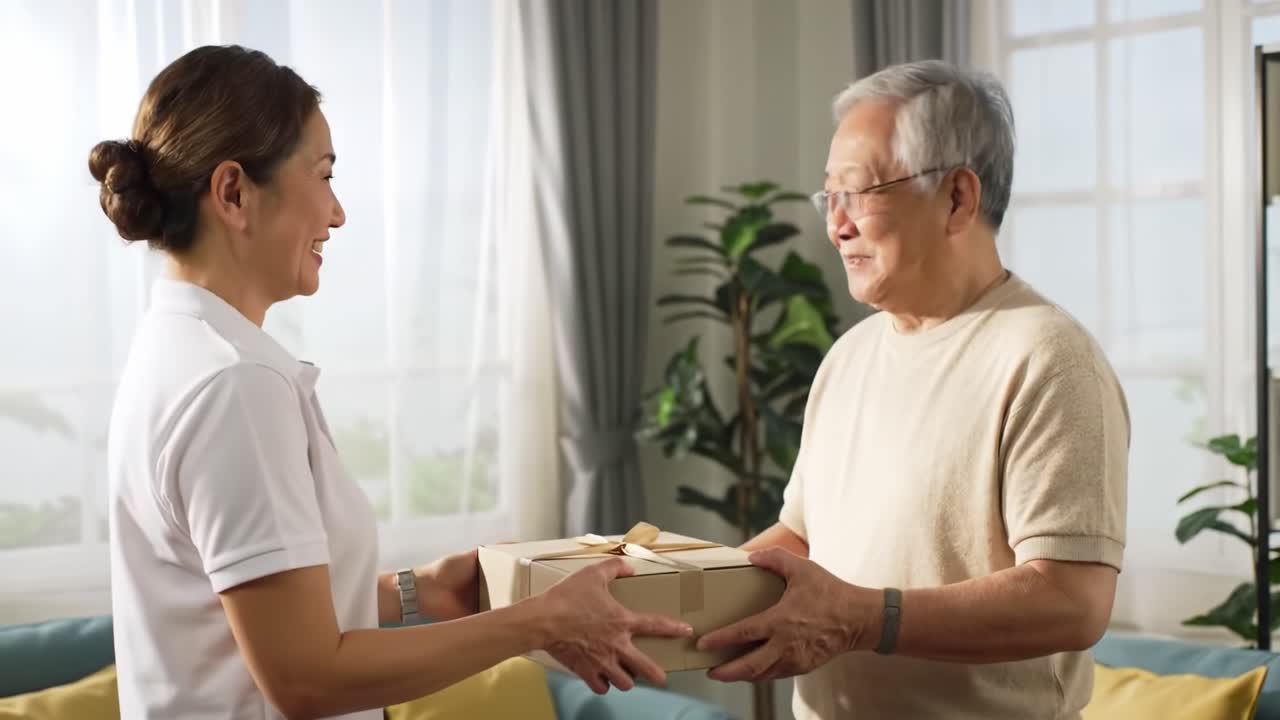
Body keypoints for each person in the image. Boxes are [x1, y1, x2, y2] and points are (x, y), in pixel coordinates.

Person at [93, 44, 689, 720]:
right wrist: (541, 623)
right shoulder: (237, 385)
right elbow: (307, 679)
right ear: (234, 193)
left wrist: (420, 591)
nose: (338, 212)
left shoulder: (174, 348)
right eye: (323, 176)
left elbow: (243, 603)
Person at [697, 60, 1129, 719]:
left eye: (858, 193)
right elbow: (803, 537)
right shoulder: (851, 355)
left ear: (957, 198)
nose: (836, 225)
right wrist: (676, 593)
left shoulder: (1048, 357)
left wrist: (866, 619)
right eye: (827, 198)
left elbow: (1071, 602)